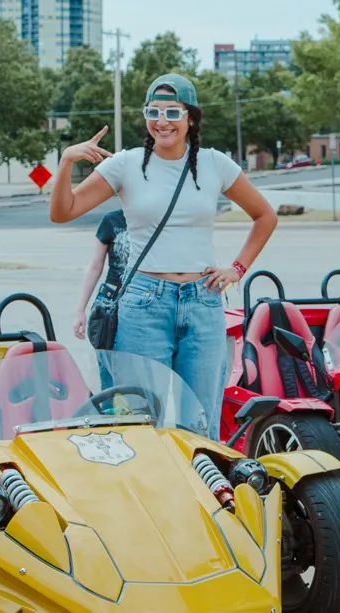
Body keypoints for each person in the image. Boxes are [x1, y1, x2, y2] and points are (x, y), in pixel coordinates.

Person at [49, 73, 278, 436]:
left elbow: (265, 216)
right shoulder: (125, 165)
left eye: (173, 112)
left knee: (200, 422)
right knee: (141, 422)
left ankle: (202, 492)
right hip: (143, 305)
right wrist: (65, 163)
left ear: (191, 118)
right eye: (153, 111)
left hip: (203, 301)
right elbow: (63, 212)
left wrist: (237, 268)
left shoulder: (215, 164)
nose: (162, 121)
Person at [72, 208, 130, 344]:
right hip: (111, 302)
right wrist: (80, 310)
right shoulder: (112, 220)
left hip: (147, 302)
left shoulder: (157, 218)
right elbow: (95, 267)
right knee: (108, 359)